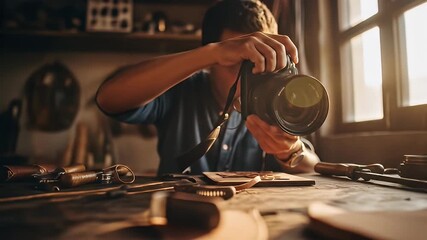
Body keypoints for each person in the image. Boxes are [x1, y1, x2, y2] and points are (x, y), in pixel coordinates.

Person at [96, 0, 320, 176]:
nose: (249, 75)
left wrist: (290, 151)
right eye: (238, 62)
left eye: (259, 61)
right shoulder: (181, 91)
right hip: (182, 219)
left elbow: (314, 166)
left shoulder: (275, 103)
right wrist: (212, 53)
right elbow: (108, 99)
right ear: (213, 61)